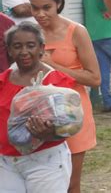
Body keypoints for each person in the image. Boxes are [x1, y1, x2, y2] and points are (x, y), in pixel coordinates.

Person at [28, 0, 101, 193]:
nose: (40, 14)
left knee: (70, 183)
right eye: (34, 7)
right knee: (40, 182)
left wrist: (53, 65)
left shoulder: (76, 32)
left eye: (46, 7)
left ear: (59, 3)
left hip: (71, 113)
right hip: (39, 115)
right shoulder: (29, 33)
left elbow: (94, 78)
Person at [0, 22, 74, 192]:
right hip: (6, 162)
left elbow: (70, 124)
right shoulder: (3, 81)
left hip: (46, 161)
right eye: (17, 46)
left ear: (42, 48)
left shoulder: (57, 82)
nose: (24, 51)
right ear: (9, 50)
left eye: (30, 45)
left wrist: (51, 132)